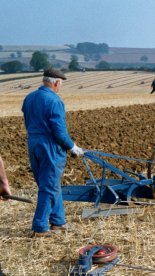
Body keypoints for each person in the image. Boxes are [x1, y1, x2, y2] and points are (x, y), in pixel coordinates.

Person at [22, 68, 84, 237]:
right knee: (48, 187)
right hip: (50, 146)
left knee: (50, 184)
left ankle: (58, 222)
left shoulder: (29, 98)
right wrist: (72, 147)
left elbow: (28, 122)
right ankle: (40, 227)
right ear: (56, 83)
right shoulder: (54, 101)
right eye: (61, 84)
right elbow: (59, 132)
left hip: (33, 143)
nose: (60, 87)